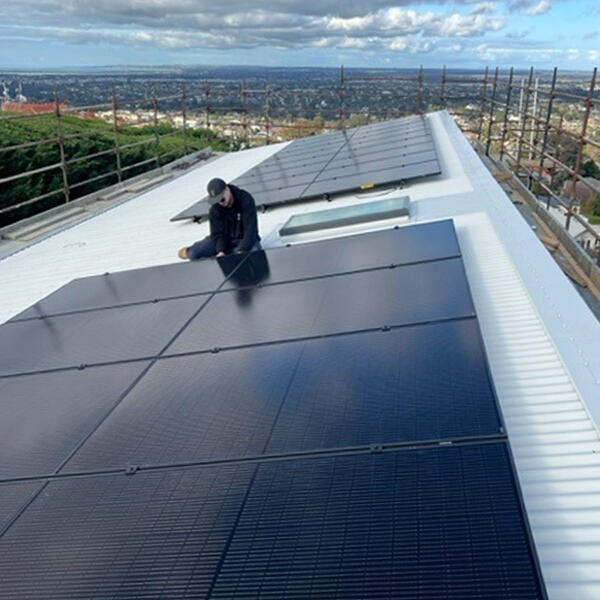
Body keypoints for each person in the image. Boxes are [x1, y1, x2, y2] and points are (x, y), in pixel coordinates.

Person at [178, 178, 261, 260]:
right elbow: (217, 234)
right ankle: (189, 251)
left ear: (227, 189)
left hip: (245, 239)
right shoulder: (215, 209)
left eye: (222, 199)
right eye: (216, 200)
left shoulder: (245, 200)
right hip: (226, 240)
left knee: (249, 257)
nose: (220, 203)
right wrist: (221, 250)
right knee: (194, 254)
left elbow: (250, 230)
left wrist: (242, 250)